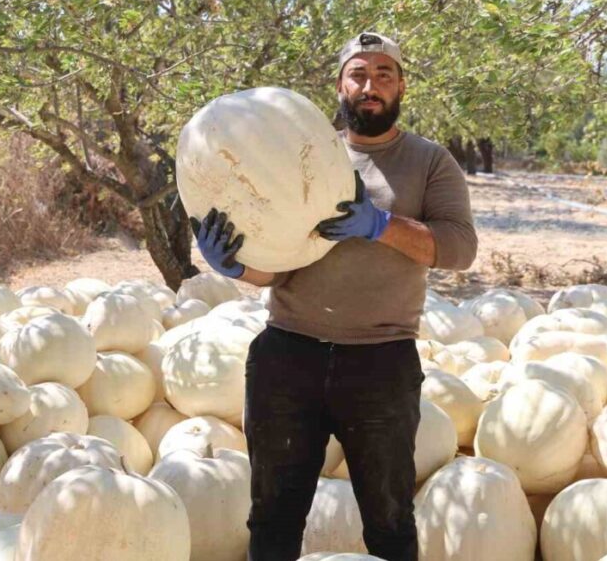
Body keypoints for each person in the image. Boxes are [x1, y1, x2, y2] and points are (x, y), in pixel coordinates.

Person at [189, 31, 478, 561]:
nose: (371, 86)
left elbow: (459, 249)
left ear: (401, 86)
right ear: (340, 85)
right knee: (273, 517)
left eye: (383, 75)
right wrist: (235, 265)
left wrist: (381, 224)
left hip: (381, 362)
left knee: (389, 520)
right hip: (288, 355)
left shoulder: (430, 161)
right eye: (359, 74)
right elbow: (276, 269)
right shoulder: (296, 153)